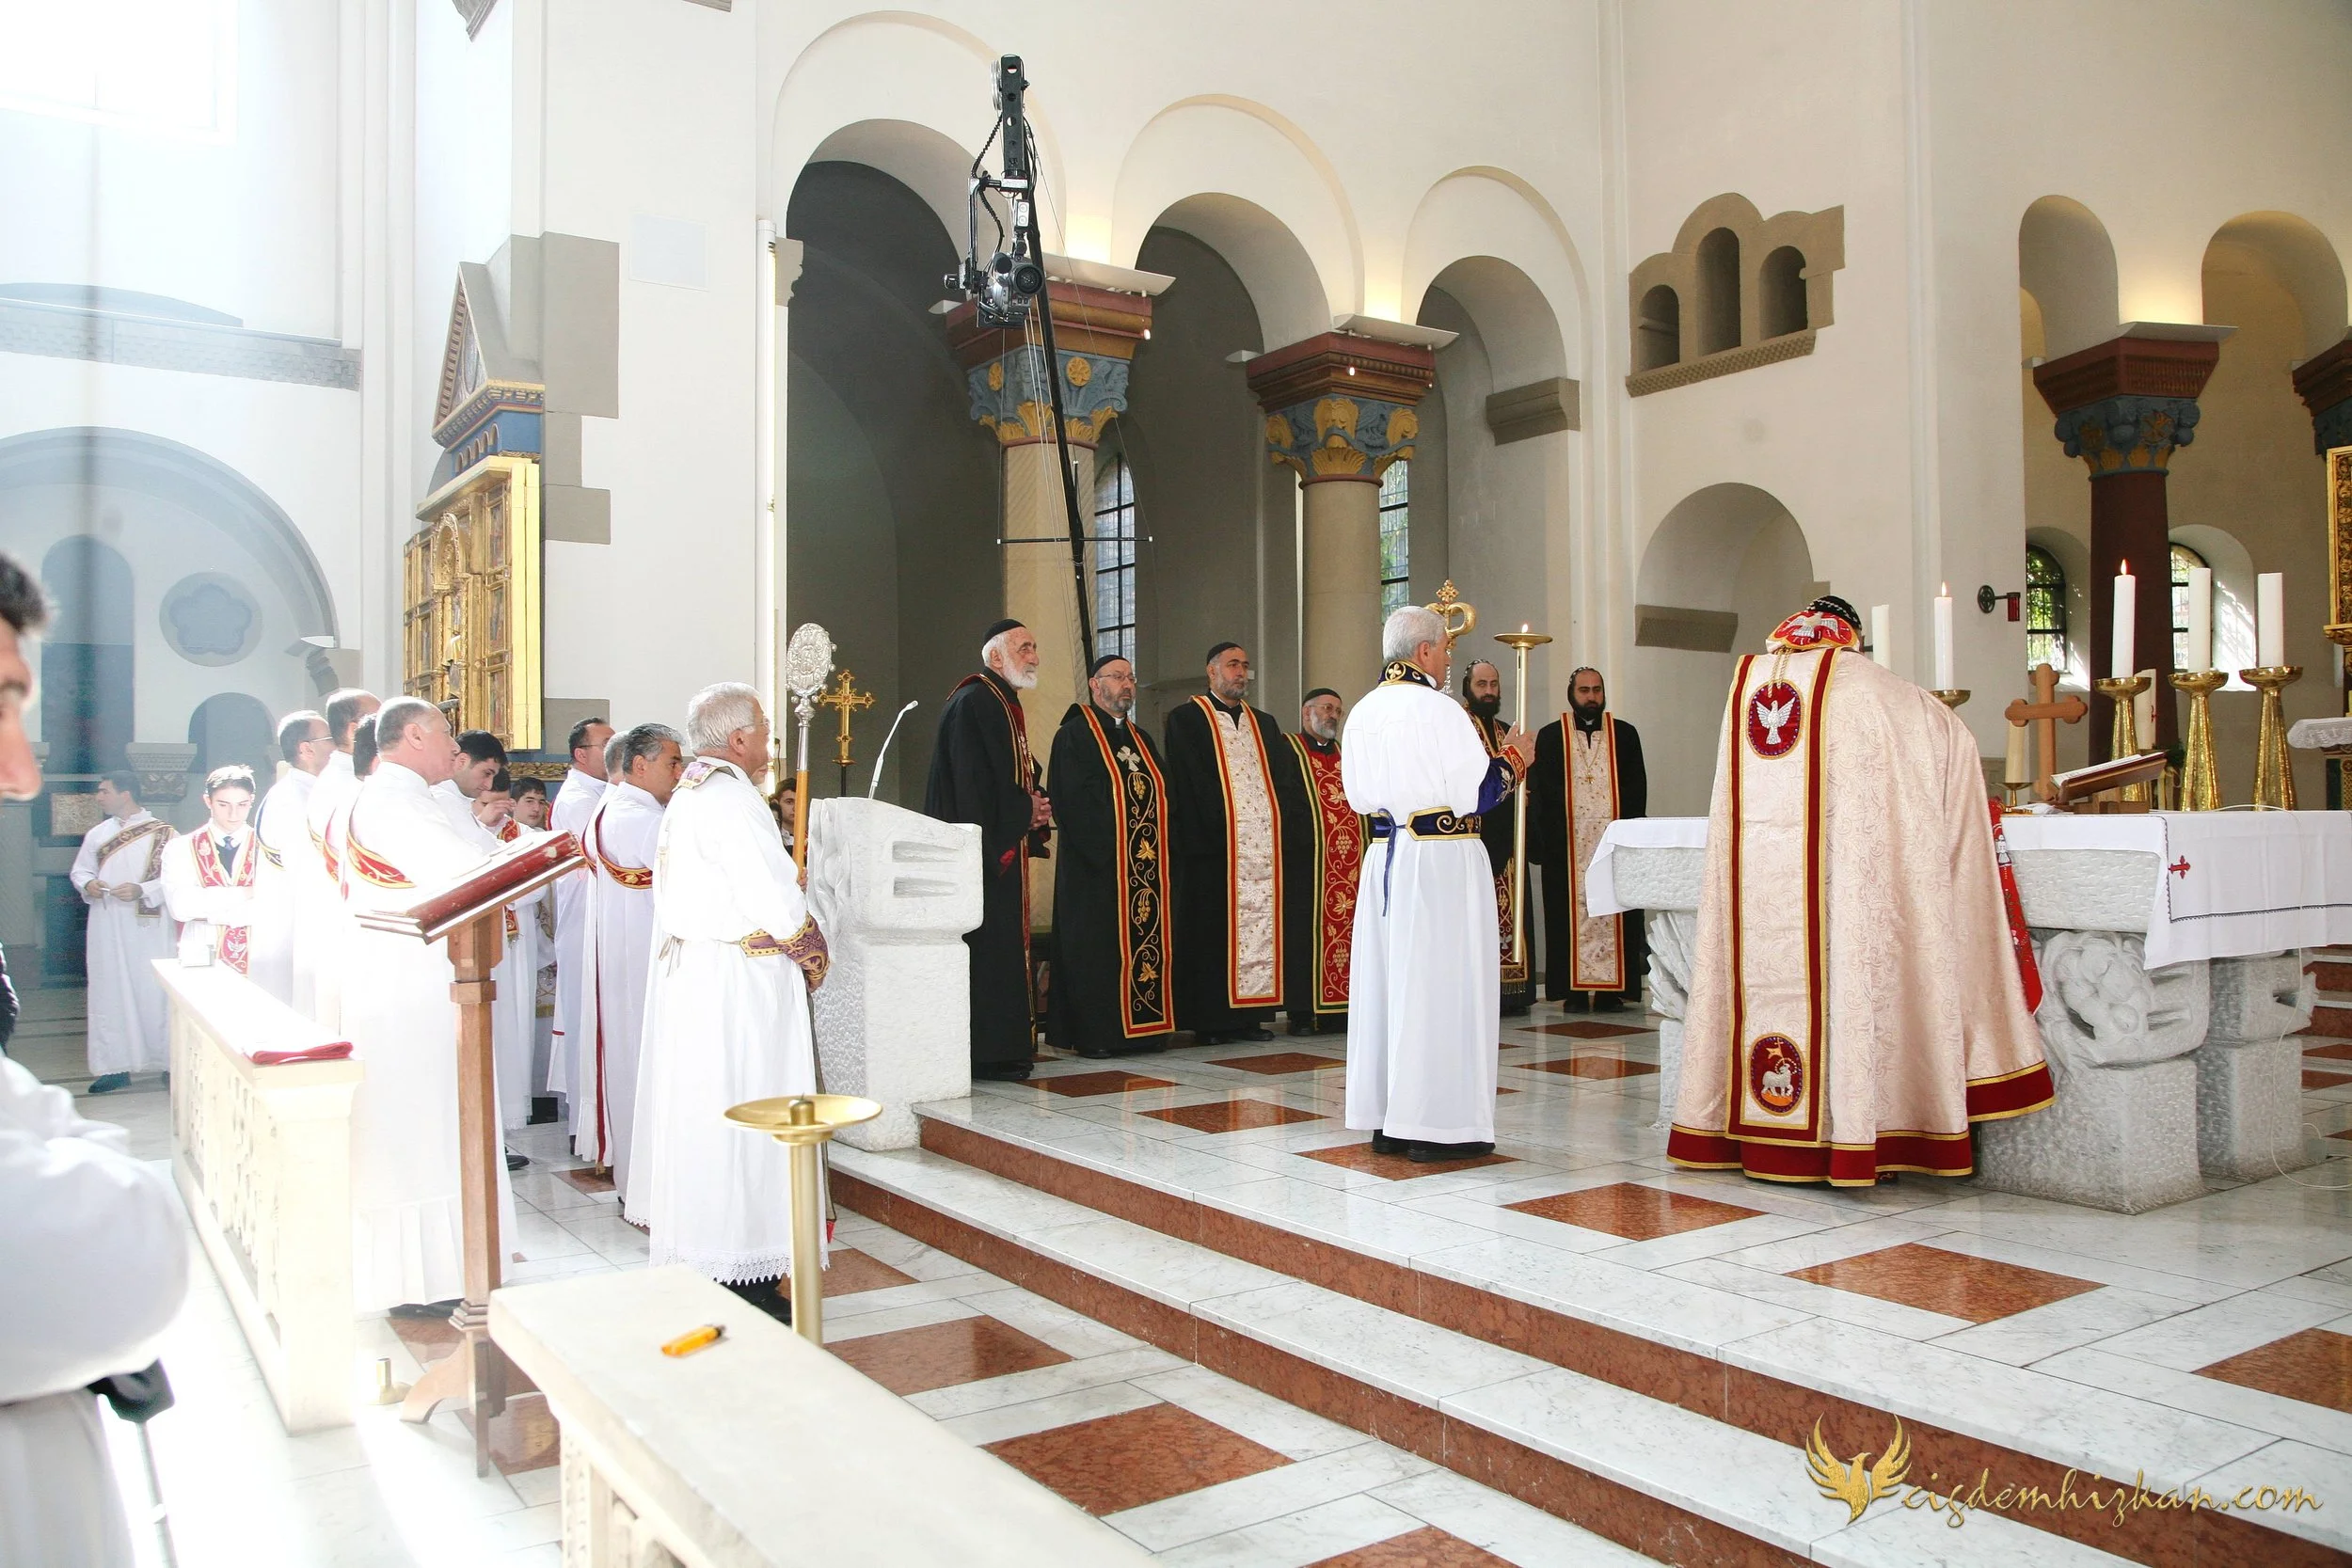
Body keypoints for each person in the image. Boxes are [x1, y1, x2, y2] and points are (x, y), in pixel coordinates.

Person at [1671, 596, 2056, 1184]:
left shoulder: (1744, 688)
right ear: (1852, 636)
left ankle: (1752, 1139)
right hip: (1853, 905)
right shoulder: (1896, 699)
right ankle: (1857, 1133)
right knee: (1855, 981)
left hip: (1763, 909)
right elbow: (1956, 795)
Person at [0, 550, 192, 1567]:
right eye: (3, 703)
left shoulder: (160, 834)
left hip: (142, 932)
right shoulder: (108, 836)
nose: (25, 770)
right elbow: (116, 1255)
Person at [631, 684, 828, 1319]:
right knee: (751, 1114)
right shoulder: (732, 797)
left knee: (713, 1118)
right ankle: (746, 1263)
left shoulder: (688, 793)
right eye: (765, 734)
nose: (770, 748)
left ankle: (719, 1252)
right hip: (740, 985)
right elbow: (770, 891)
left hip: (705, 977)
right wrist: (810, 942)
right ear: (738, 738)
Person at [338, 697, 512, 1311]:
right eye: (446, 735)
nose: (454, 749)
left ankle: (439, 1268)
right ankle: (423, 1278)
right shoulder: (395, 800)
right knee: (423, 1126)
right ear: (413, 735)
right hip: (411, 986)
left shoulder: (393, 795)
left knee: (424, 1123)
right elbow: (465, 872)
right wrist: (524, 856)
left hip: (408, 977)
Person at [1342, 607, 1531, 1162]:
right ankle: (1439, 1127)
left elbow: (1357, 795)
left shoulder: (1363, 712)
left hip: (1385, 860)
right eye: (1445, 649)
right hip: (1441, 860)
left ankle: (1390, 1121)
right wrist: (1517, 758)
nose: (1449, 659)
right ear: (1423, 652)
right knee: (1443, 987)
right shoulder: (1439, 710)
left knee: (1391, 985)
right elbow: (1478, 794)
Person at [925, 620, 1052, 1081]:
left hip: (999, 846)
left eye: (1035, 647)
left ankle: (1006, 1047)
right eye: (1025, 648)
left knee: (1002, 949)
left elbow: (1014, 772)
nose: (1035, 656)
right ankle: (988, 1052)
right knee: (989, 951)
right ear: (996, 657)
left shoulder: (1001, 700)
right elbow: (973, 783)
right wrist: (1025, 810)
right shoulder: (976, 700)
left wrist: (1033, 804)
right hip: (980, 856)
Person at [1045, 654, 1174, 1058]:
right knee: (1098, 951)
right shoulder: (1074, 736)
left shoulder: (1141, 739)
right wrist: (1110, 850)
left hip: (1144, 870)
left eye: (1131, 677)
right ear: (1095, 684)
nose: (1127, 685)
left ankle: (1146, 1030)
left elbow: (1164, 793)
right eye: (1118, 677)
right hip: (1098, 871)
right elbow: (1073, 802)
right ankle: (1099, 1034)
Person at [1164, 641, 1288, 1045]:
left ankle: (1250, 1017)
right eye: (1233, 665)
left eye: (1245, 666)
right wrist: (1220, 830)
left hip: (1259, 853)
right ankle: (1211, 1020)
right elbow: (1189, 781)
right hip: (1211, 850)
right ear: (1212, 671)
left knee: (1258, 931)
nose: (1241, 672)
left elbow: (1278, 782)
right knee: (1209, 934)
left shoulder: (1265, 723)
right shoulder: (1186, 718)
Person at [580, 722, 681, 1201]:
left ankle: (636, 1180)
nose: (680, 774)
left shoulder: (612, 809)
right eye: (672, 763)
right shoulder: (645, 820)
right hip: (647, 961)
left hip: (624, 958)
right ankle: (652, 1186)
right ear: (640, 767)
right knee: (649, 1068)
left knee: (630, 1066)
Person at [1529, 666, 1648, 1011]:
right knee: (1567, 912)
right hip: (1566, 847)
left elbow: (1636, 788)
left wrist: (1631, 837)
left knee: (1615, 907)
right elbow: (1541, 794)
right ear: (1571, 694)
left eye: (1597, 689)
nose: (1591, 697)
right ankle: (1573, 990)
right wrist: (1544, 843)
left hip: (1613, 846)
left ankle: (1614, 989)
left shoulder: (1625, 735)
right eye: (1584, 690)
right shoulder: (1551, 738)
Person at [69, 771, 175, 1094]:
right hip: (108, 925)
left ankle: (169, 1063)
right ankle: (115, 1066)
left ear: (125, 793)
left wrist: (142, 890)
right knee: (110, 992)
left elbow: (176, 879)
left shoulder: (165, 834)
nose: (99, 797)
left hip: (150, 928)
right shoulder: (98, 834)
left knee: (153, 991)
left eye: (104, 791)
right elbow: (80, 869)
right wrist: (89, 883)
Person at [1272, 688, 1362, 1037]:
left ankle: (1343, 1008)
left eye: (1338, 710)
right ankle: (1303, 1011)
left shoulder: (1346, 754)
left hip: (1349, 866)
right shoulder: (1287, 748)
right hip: (1306, 866)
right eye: (1326, 708)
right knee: (1303, 935)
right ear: (1305, 711)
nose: (1332, 716)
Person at [547, 716, 614, 1115]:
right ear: (580, 754)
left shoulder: (602, 792)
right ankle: (585, 1119)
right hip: (584, 920)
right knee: (585, 1018)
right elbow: (606, 852)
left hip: (599, 920)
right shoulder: (578, 799)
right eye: (605, 743)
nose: (615, 747)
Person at [302, 688, 380, 1031]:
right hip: (348, 917)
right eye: (378, 719)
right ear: (354, 728)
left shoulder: (347, 778)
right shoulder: (344, 783)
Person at [1462, 662, 1535, 1017]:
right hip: (1475, 833)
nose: (1489, 691)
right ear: (1467, 687)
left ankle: (1511, 991)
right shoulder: (1460, 727)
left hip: (1507, 836)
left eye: (1494, 684)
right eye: (1481, 684)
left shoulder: (1508, 730)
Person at [250, 709, 330, 1006]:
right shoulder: (293, 799)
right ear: (306, 749)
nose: (336, 746)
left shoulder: (309, 791)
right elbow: (310, 872)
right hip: (295, 926)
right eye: (330, 739)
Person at [159, 766, 260, 973]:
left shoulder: (269, 849)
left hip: (259, 949)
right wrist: (246, 892)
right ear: (208, 801)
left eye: (242, 804)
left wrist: (210, 907)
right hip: (202, 947)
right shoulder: (180, 848)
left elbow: (275, 906)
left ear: (252, 800)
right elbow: (181, 907)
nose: (234, 814)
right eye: (223, 805)